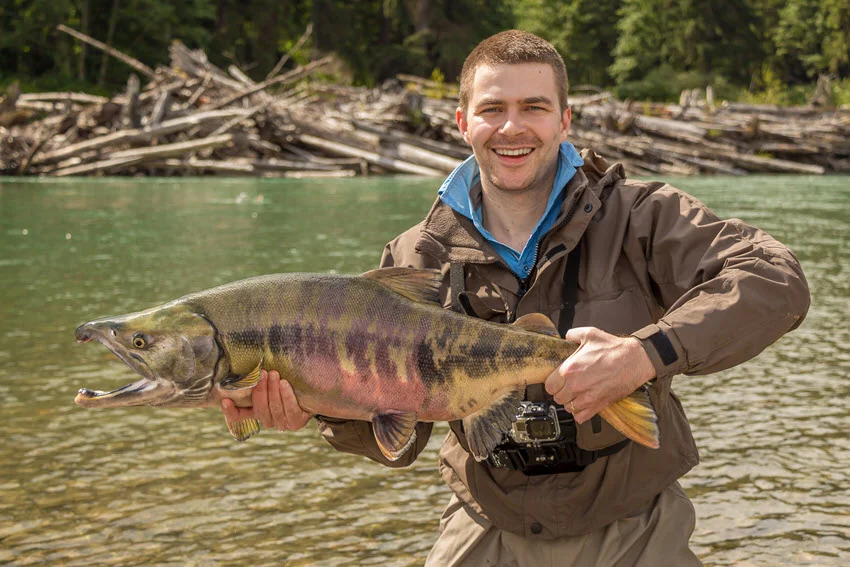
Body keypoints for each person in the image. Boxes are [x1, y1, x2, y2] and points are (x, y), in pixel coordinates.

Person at [221, 30, 810, 566]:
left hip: (635, 524)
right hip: (487, 522)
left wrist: (642, 355)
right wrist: (317, 403)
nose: (512, 128)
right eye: (493, 109)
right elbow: (397, 440)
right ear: (462, 121)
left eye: (534, 107)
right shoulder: (415, 258)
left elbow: (775, 278)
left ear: (564, 120)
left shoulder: (641, 216)